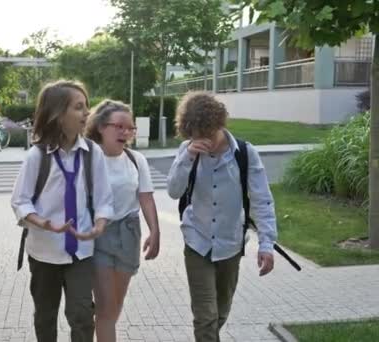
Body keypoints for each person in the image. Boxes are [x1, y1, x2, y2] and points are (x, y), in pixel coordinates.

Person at [166, 92, 277, 342]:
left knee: (220, 312)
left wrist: (266, 243)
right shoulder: (187, 150)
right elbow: (173, 191)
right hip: (197, 241)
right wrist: (188, 157)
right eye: (198, 137)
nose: (206, 142)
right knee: (205, 316)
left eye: (210, 135)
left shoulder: (245, 153)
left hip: (230, 243)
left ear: (220, 125)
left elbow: (262, 200)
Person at [11, 80, 114, 342]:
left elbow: (104, 199)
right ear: (58, 114)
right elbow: (20, 201)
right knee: (45, 315)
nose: (86, 113)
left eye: (86, 106)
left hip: (80, 252)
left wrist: (99, 226)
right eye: (79, 107)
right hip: (44, 251)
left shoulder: (93, 154)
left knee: (81, 314)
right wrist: (46, 224)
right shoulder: (37, 156)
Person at [84, 99, 160, 342]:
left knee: (115, 305)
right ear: (100, 127)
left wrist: (155, 231)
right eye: (119, 127)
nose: (126, 133)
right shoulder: (87, 158)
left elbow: (146, 198)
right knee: (106, 306)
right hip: (99, 235)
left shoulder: (136, 159)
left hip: (129, 234)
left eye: (130, 128)